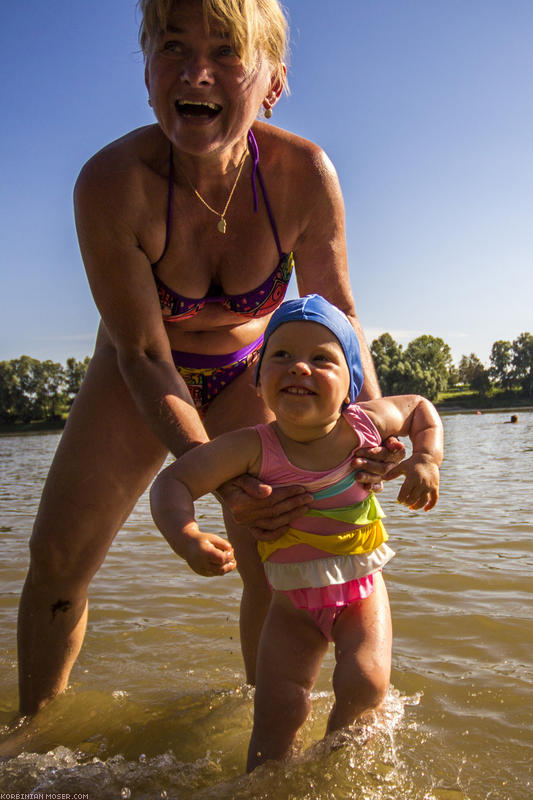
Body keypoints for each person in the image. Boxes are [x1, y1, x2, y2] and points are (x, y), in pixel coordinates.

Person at [15, 0, 403, 719]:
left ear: (273, 83)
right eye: (172, 48)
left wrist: (368, 430)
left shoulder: (302, 173)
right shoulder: (111, 183)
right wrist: (213, 479)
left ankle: (268, 746)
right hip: (140, 370)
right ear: (147, 71)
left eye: (226, 52)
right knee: (59, 565)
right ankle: (32, 746)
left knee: (272, 573)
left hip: (253, 370)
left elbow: (340, 317)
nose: (195, 72)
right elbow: (139, 351)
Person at [150, 294, 443, 771]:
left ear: (351, 381)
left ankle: (333, 772)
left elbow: (420, 410)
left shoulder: (363, 425)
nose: (299, 368)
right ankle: (266, 786)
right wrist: (187, 536)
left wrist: (427, 459)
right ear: (257, 377)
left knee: (365, 683)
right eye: (281, 355)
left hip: (361, 591)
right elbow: (173, 481)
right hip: (291, 605)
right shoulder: (250, 447)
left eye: (321, 359)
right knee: (278, 710)